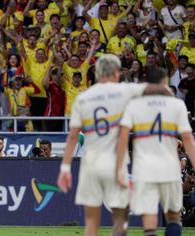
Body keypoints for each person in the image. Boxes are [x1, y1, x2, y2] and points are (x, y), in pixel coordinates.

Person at [57, 54, 172, 236]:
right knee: (120, 220)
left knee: (91, 223)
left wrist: (65, 168)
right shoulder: (125, 90)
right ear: (117, 72)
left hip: (90, 164)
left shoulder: (83, 97)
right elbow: (159, 88)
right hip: (115, 163)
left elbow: (72, 137)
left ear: (97, 73)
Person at [115, 67, 195, 236]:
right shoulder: (177, 104)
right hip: (169, 165)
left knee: (150, 219)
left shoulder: (135, 105)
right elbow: (187, 138)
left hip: (145, 166)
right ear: (165, 83)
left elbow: (122, 137)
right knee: (173, 216)